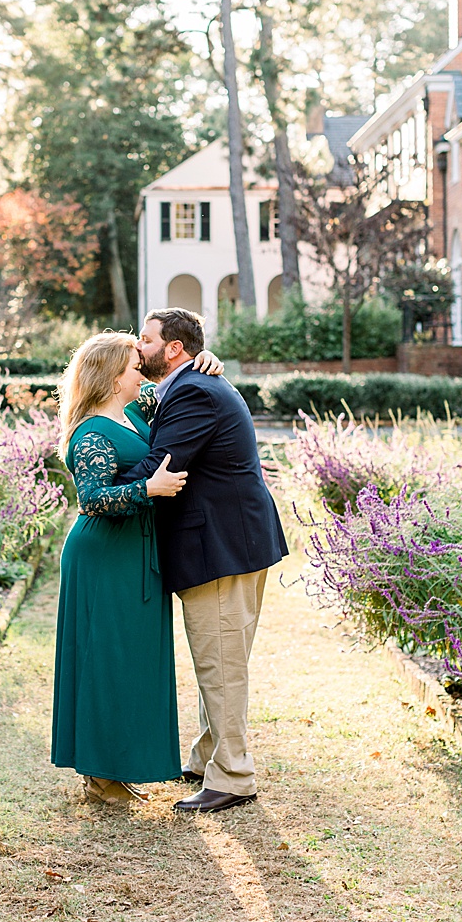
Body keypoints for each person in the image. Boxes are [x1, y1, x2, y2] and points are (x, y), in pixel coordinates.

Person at [116, 307, 289, 814]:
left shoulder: (192, 390)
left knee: (221, 664)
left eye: (144, 340)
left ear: (173, 350)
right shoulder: (189, 384)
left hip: (220, 548)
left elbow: (160, 466)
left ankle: (234, 776)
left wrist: (100, 476)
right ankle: (208, 754)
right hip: (232, 542)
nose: (137, 348)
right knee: (221, 658)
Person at [50, 330, 223, 806]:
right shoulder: (90, 432)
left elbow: (175, 386)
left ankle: (116, 768)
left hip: (136, 553)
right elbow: (92, 499)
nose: (140, 371)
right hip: (104, 556)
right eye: (132, 366)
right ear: (110, 377)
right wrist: (148, 490)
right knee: (106, 659)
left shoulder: (132, 412)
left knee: (132, 660)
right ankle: (100, 776)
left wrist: (202, 359)